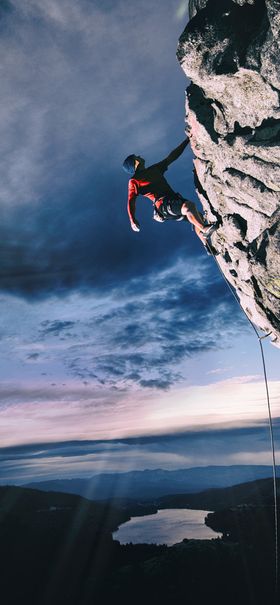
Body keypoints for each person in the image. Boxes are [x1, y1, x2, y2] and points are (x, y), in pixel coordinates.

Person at [123, 137, 219, 254]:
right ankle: (204, 230)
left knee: (196, 216)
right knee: (188, 207)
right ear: (135, 163)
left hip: (172, 200)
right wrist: (132, 220)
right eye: (136, 157)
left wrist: (187, 140)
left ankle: (208, 247)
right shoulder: (134, 181)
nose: (138, 156)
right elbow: (131, 200)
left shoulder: (155, 169)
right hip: (163, 205)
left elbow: (172, 157)